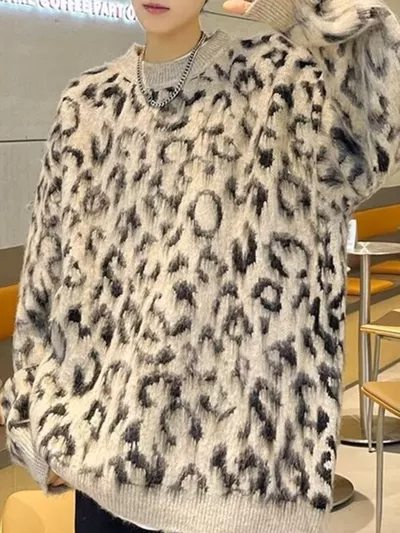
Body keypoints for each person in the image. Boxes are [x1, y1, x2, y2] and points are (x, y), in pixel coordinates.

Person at [1, 0, 400, 531]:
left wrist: (295, 12)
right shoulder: (87, 106)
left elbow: (370, 138)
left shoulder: (277, 84)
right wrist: (36, 426)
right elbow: (44, 284)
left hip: (239, 492)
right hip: (101, 482)